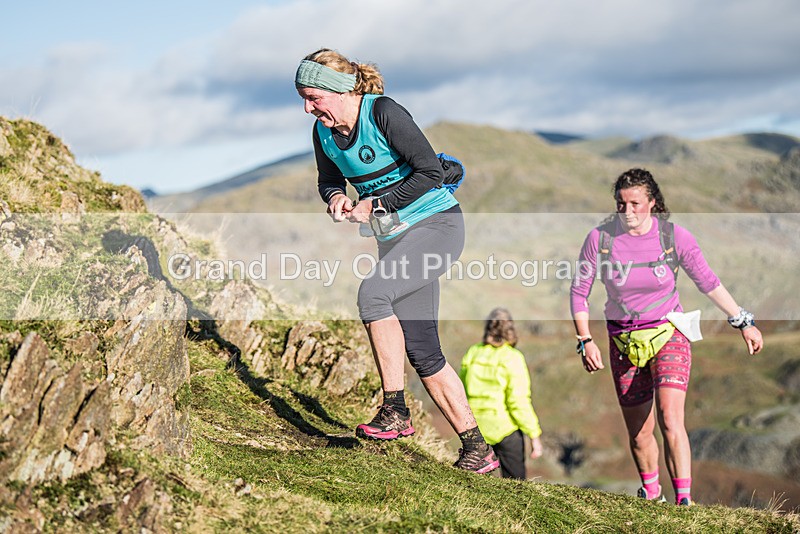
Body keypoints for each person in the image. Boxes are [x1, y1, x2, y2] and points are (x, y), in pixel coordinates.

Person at [295, 48, 499, 474]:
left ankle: (395, 412)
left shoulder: (383, 112)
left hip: (436, 226)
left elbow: (429, 172)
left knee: (373, 295)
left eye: (314, 97)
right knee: (424, 351)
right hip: (394, 240)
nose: (308, 108)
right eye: (303, 98)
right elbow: (328, 179)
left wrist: (376, 203)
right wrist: (335, 198)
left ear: (338, 89)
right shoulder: (323, 133)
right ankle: (477, 450)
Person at [570, 168, 764, 505]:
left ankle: (684, 502)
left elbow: (708, 282)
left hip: (669, 331)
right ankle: (652, 494)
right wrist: (585, 340)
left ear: (653, 203)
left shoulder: (674, 238)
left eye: (635, 204)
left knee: (671, 420)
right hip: (623, 341)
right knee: (640, 432)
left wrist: (742, 321)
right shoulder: (599, 241)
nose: (627, 212)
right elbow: (579, 292)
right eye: (621, 204)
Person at [460, 308, 544, 479]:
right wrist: (534, 435)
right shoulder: (513, 357)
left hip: (475, 428)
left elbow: (461, 388)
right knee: (516, 486)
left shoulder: (473, 352)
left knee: (474, 483)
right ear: (511, 330)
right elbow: (518, 401)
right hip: (505, 429)